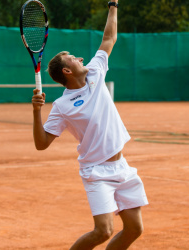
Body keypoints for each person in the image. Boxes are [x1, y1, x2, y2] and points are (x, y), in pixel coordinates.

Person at [32, 1, 148, 249]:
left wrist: (113, 5)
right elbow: (41, 144)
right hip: (96, 172)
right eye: (73, 58)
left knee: (135, 229)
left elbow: (109, 38)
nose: (80, 57)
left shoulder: (96, 71)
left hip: (122, 166)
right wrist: (36, 111)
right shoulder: (62, 106)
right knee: (103, 231)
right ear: (67, 71)